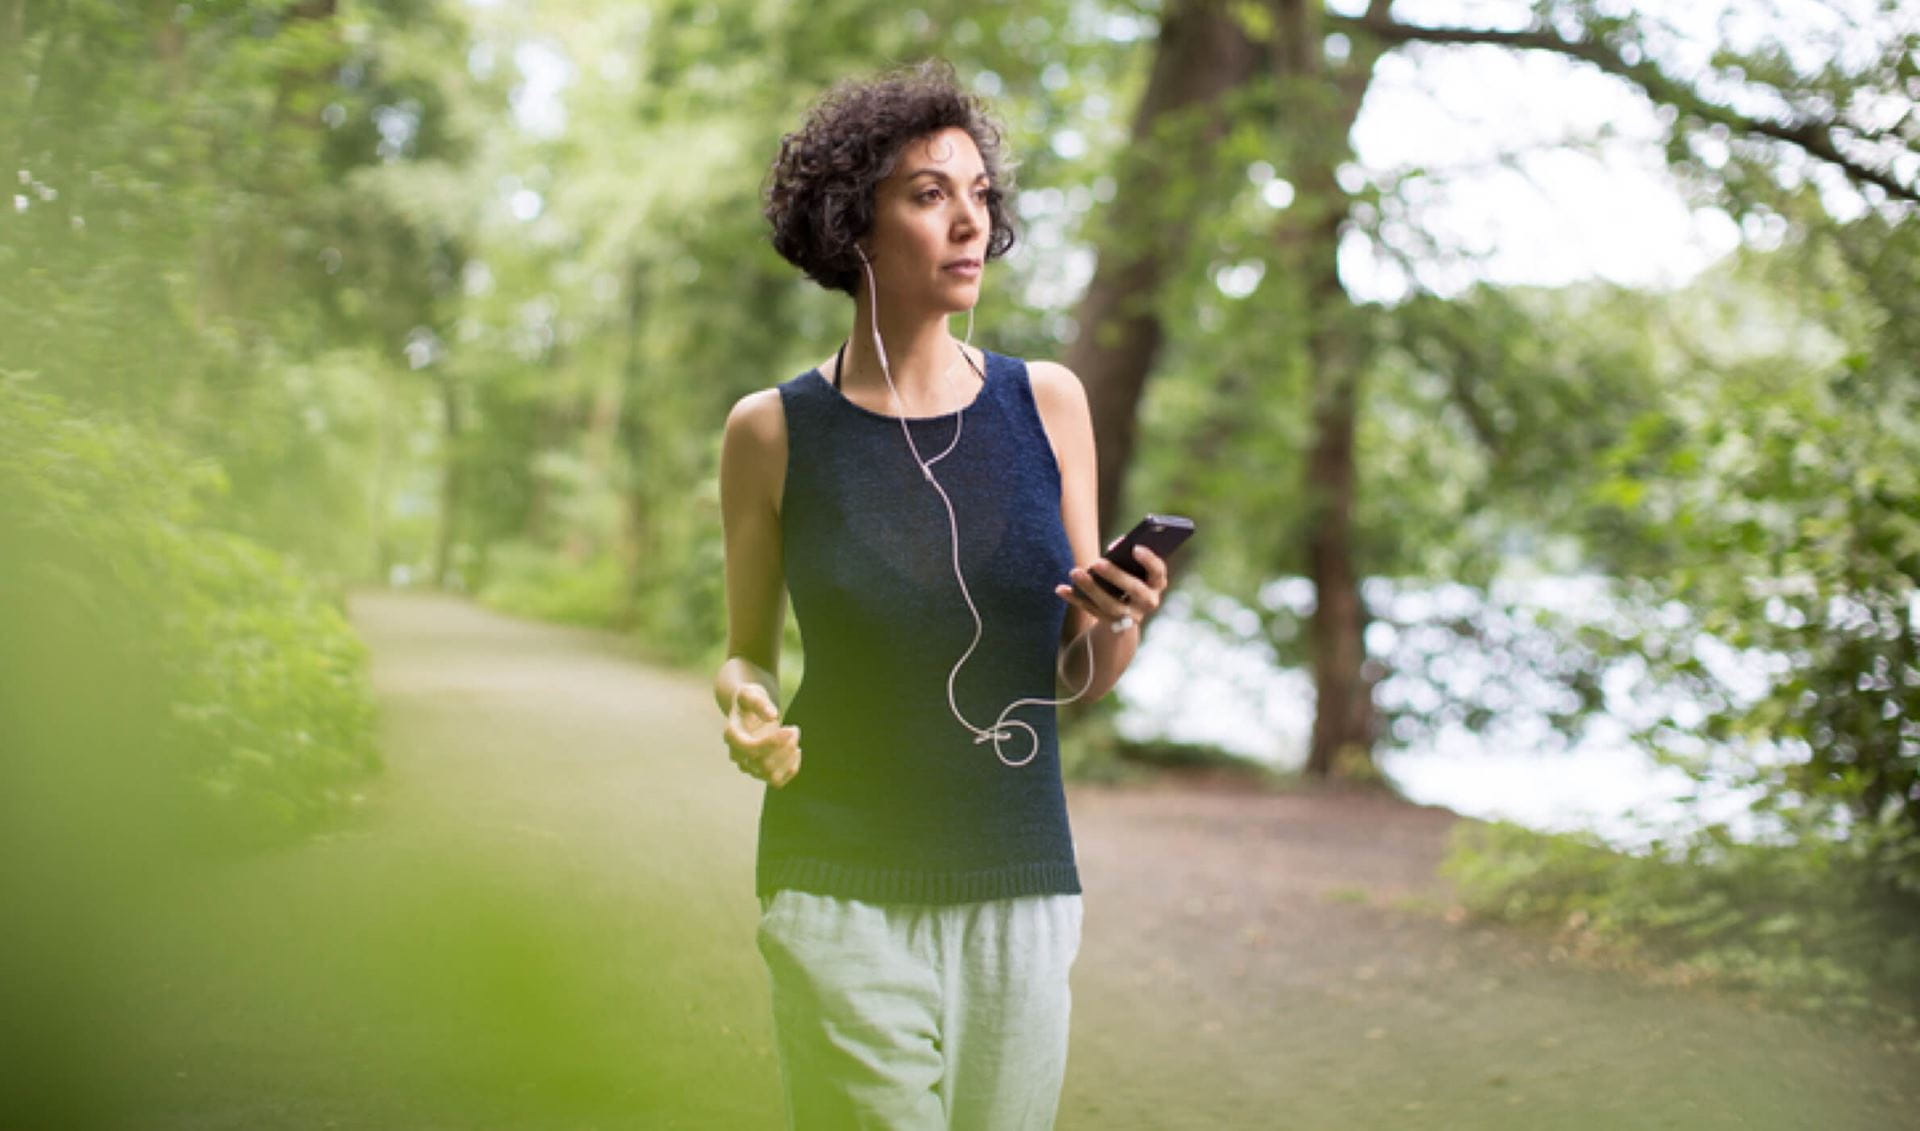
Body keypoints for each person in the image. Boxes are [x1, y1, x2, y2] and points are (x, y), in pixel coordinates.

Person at [713, 58, 1171, 1130]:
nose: (970, 223)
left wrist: (1115, 620)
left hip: (1022, 880)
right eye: (929, 194)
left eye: (980, 195)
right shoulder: (771, 432)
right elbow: (746, 653)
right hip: (837, 880)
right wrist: (743, 705)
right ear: (853, 227)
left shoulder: (1048, 405)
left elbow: (1079, 679)